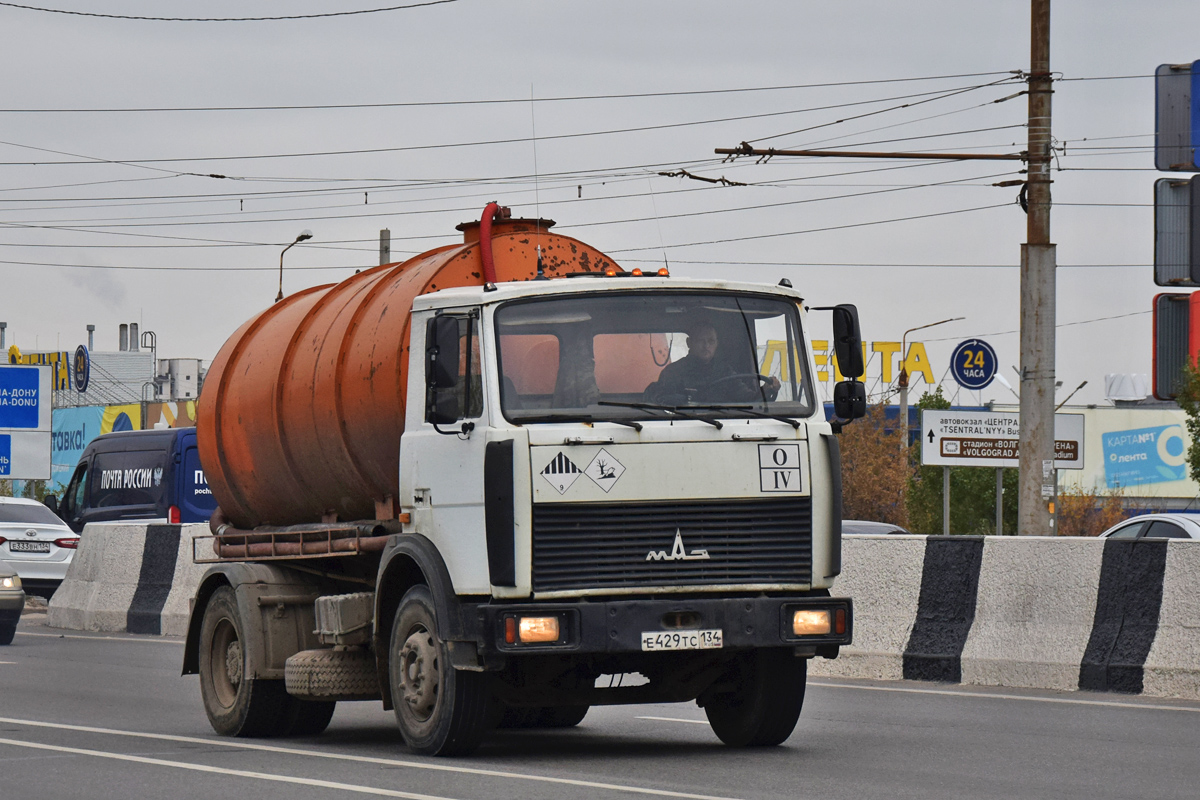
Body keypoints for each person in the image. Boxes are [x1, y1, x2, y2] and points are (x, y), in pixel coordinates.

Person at [644, 320, 780, 403]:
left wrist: (766, 390)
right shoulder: (673, 372)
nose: (706, 346)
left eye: (711, 341)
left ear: (717, 344)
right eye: (701, 341)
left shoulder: (725, 372)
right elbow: (659, 403)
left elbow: (747, 399)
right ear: (689, 343)